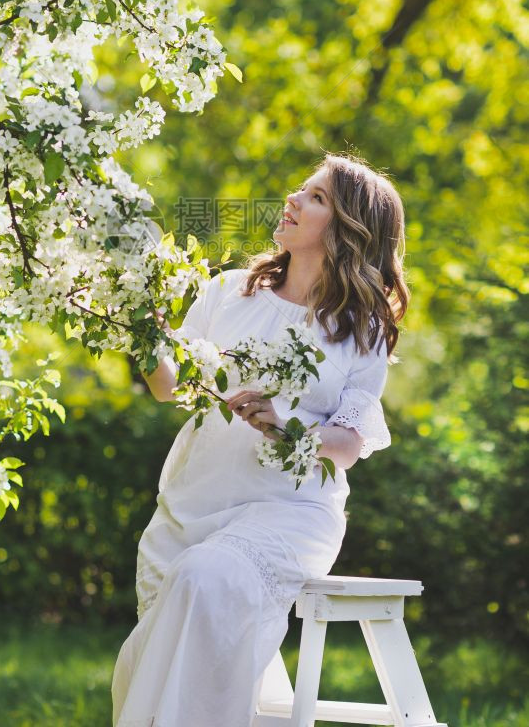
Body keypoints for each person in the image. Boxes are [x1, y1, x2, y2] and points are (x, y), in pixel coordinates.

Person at [111, 152, 409, 727]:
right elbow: (169, 387)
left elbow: (348, 444)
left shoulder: (360, 327)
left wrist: (288, 423)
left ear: (349, 228)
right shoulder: (228, 292)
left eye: (316, 197)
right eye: (301, 188)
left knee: (206, 578)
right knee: (154, 656)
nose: (293, 199)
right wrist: (141, 325)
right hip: (190, 507)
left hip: (288, 513)